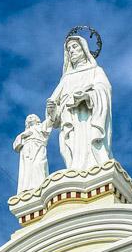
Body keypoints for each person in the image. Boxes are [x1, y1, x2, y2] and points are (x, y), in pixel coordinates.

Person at [46, 35, 112, 171]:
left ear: (84, 49)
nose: (71, 51)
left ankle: (93, 165)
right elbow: (55, 113)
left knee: (90, 149)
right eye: (69, 49)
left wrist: (87, 96)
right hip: (69, 122)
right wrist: (52, 110)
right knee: (72, 148)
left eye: (75, 47)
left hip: (87, 116)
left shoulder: (95, 71)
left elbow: (104, 90)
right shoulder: (66, 79)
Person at [13, 114, 52, 193]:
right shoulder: (24, 132)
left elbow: (50, 120)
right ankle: (26, 188)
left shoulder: (41, 126)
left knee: (38, 164)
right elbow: (15, 146)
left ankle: (40, 185)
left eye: (32, 117)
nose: (30, 118)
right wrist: (23, 136)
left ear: (37, 119)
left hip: (38, 147)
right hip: (26, 149)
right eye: (28, 118)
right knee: (27, 169)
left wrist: (51, 110)